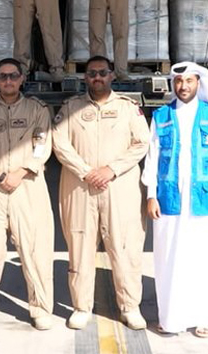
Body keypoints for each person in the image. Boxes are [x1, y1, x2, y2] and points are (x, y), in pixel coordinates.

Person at [52, 55, 152, 330]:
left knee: (124, 246)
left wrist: (111, 169)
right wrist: (85, 171)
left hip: (118, 186)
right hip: (80, 186)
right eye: (92, 73)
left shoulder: (128, 108)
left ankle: (130, 306)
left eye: (102, 73)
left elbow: (142, 143)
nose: (97, 77)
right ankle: (81, 306)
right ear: (85, 78)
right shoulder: (71, 107)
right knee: (80, 245)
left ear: (111, 76)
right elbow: (59, 143)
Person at [142, 62, 208, 337]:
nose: (183, 87)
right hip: (169, 198)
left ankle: (204, 317)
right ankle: (172, 317)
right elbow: (152, 157)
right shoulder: (161, 115)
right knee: (169, 257)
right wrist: (151, 195)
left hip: (206, 198)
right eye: (178, 81)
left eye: (189, 81)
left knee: (205, 258)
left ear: (199, 83)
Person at [0, 58, 55, 332]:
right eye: (2, 77)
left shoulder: (37, 109)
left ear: (21, 78)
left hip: (27, 185)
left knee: (35, 248)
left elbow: (42, 143)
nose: (7, 81)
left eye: (12, 76)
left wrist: (22, 171)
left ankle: (40, 308)